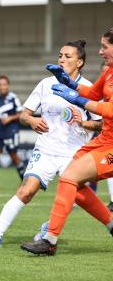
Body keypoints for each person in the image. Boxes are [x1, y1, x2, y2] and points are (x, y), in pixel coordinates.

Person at [0, 40, 101, 247]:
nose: (62, 59)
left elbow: (100, 124)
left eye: (68, 56)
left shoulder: (90, 88)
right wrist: (32, 120)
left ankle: (49, 228)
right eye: (60, 55)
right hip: (46, 149)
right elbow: (24, 115)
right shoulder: (45, 84)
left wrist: (84, 122)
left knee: (78, 198)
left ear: (80, 62)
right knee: (26, 190)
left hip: (74, 154)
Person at [21, 28, 113, 255]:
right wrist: (70, 84)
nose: (100, 52)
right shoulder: (110, 72)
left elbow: (108, 109)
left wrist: (77, 99)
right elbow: (93, 93)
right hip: (104, 139)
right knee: (74, 181)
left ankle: (49, 240)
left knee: (70, 177)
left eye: (105, 47)